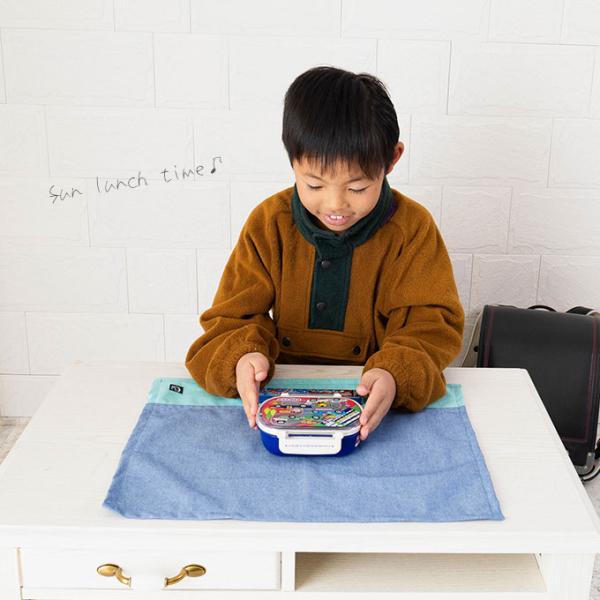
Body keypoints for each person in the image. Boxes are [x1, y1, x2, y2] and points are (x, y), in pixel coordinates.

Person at [185, 66, 464, 441]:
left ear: (392, 159)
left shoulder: (412, 230)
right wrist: (244, 357)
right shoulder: (269, 223)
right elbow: (230, 319)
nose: (335, 205)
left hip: (374, 404)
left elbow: (430, 327)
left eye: (358, 188)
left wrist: (394, 373)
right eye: (314, 184)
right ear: (292, 162)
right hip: (281, 402)